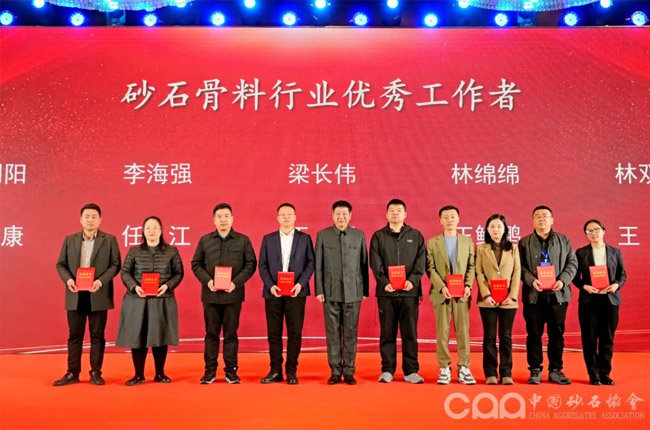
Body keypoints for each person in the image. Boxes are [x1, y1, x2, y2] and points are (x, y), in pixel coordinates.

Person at [54, 203, 121, 386]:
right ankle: (72, 372)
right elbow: (61, 264)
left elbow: (115, 265)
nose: (90, 220)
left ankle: (96, 373)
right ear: (80, 219)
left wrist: (100, 281)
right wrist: (69, 280)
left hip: (98, 293)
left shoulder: (109, 240)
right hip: (75, 293)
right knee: (74, 336)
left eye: (94, 217)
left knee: (97, 336)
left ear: (100, 220)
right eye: (87, 216)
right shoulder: (70, 240)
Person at [191, 203, 257, 384]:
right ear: (214, 220)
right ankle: (209, 372)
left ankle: (231, 371)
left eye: (226, 216)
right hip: (210, 296)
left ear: (232, 219)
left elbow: (251, 264)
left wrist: (236, 283)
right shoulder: (205, 240)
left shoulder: (243, 240)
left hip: (233, 296)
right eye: (219, 217)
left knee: (231, 335)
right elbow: (196, 264)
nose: (223, 220)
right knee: (211, 334)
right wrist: (207, 281)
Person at [116, 216, 184, 386]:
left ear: (161, 231)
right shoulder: (134, 251)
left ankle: (160, 373)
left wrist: (167, 286)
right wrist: (134, 287)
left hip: (162, 299)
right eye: (148, 228)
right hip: (137, 300)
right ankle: (138, 374)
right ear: (143, 231)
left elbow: (178, 273)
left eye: (155, 227)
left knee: (160, 334)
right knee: (138, 336)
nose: (151, 231)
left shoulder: (171, 251)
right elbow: (125, 272)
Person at [519, 205, 578, 385]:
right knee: (533, 334)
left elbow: (572, 263)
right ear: (532, 221)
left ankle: (555, 370)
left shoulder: (563, 240)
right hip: (534, 295)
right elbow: (519, 266)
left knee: (557, 334)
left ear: (552, 220)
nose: (542, 219)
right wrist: (531, 280)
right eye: (537, 216)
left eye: (545, 216)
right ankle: (535, 370)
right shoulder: (524, 242)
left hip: (557, 294)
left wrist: (563, 281)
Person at [370, 199, 426, 384]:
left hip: (409, 293)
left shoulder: (415, 236)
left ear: (405, 214)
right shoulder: (379, 236)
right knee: (387, 332)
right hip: (387, 293)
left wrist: (413, 281)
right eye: (392, 210)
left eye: (399, 210)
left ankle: (411, 371)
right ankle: (387, 370)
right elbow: (375, 262)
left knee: (410, 333)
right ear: (386, 214)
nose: (395, 213)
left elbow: (420, 262)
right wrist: (384, 282)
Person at [258, 203, 315, 385]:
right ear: (277, 218)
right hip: (273, 292)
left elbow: (310, 263)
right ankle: (275, 370)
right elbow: (262, 265)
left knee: (295, 333)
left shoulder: (305, 238)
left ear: (295, 217)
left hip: (296, 292)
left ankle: (291, 371)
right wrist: (270, 285)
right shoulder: (268, 239)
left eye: (289, 214)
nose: (286, 217)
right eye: (283, 214)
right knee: (273, 333)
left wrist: (300, 284)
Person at [315, 200, 369, 385]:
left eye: (345, 214)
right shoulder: (323, 235)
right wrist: (319, 289)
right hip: (330, 291)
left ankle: (349, 371)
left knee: (351, 332)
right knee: (333, 333)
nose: (341, 217)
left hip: (353, 291)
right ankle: (335, 371)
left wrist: (364, 290)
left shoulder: (359, 236)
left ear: (350, 215)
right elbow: (318, 265)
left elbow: (364, 264)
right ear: (332, 215)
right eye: (337, 213)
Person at [426, 205, 476, 385]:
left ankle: (464, 367)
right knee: (442, 333)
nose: (449, 220)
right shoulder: (433, 242)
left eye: (452, 216)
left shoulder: (467, 241)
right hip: (442, 294)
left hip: (462, 293)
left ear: (458, 219)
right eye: (446, 217)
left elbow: (472, 266)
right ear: (440, 220)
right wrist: (441, 287)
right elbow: (430, 268)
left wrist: (468, 284)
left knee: (463, 332)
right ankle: (444, 367)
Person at [573, 219, 626, 385]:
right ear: (586, 235)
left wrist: (616, 285)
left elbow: (622, 274)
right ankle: (593, 373)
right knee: (589, 338)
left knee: (607, 338)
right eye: (589, 231)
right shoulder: (581, 253)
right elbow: (575, 277)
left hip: (610, 300)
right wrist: (585, 286)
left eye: (596, 229)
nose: (594, 233)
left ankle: (605, 373)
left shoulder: (615, 252)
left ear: (604, 231)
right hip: (589, 300)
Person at [475, 214, 521, 385]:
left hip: (508, 300)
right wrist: (486, 294)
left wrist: (512, 295)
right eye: (492, 226)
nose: (496, 230)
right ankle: (490, 373)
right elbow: (479, 272)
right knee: (489, 337)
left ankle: (506, 372)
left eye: (499, 226)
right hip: (487, 300)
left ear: (505, 229)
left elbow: (517, 272)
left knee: (506, 337)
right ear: (487, 229)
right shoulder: (481, 248)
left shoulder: (513, 248)